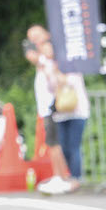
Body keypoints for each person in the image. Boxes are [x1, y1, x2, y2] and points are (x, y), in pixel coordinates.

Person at [24, 25, 78, 194]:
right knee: (53, 143)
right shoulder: (44, 60)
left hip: (52, 104)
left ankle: (62, 177)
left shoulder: (51, 57)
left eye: (37, 36)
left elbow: (38, 57)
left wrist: (42, 52)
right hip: (46, 106)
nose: (35, 41)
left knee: (55, 143)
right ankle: (60, 176)